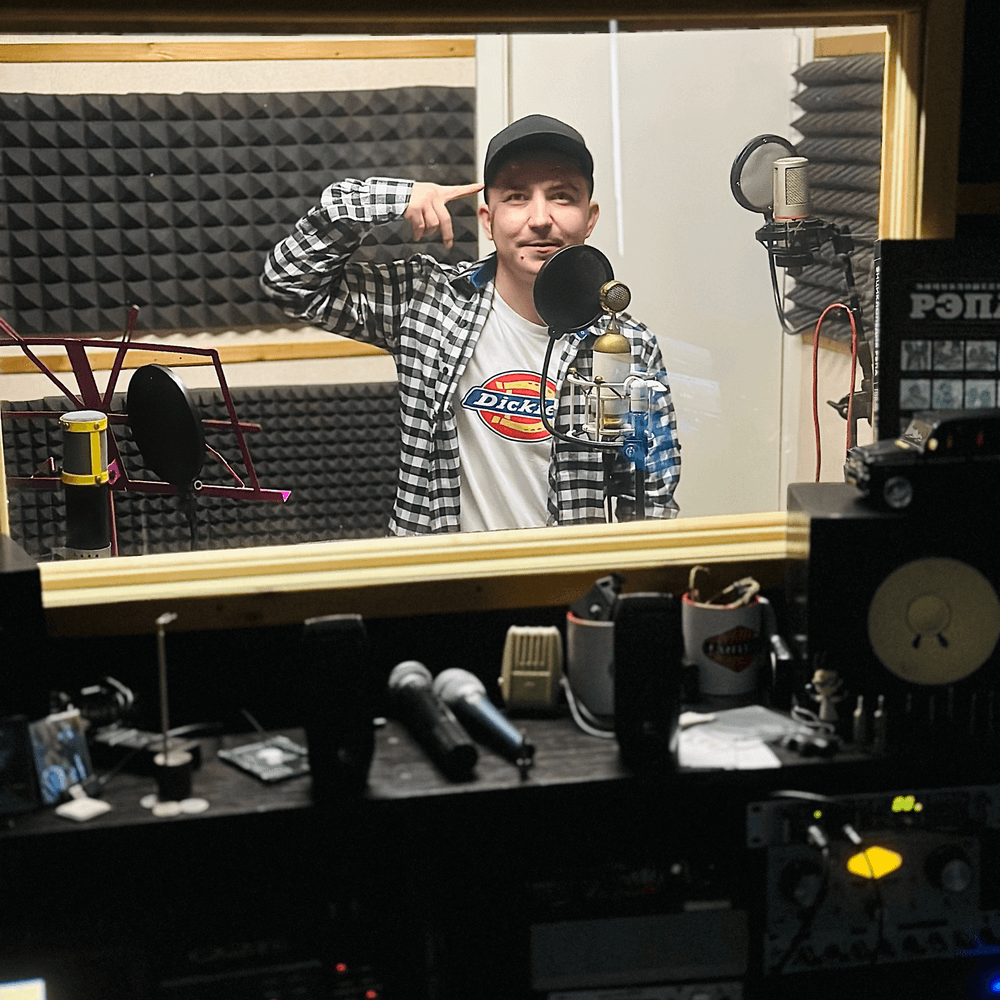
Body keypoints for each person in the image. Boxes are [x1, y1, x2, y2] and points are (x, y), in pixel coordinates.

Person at [261, 114, 680, 535]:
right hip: (443, 571)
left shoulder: (628, 344)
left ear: (589, 218)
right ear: (486, 219)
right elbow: (288, 281)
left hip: (567, 571)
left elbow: (650, 497)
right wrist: (393, 198)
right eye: (516, 197)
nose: (539, 218)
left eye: (561, 196)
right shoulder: (426, 299)